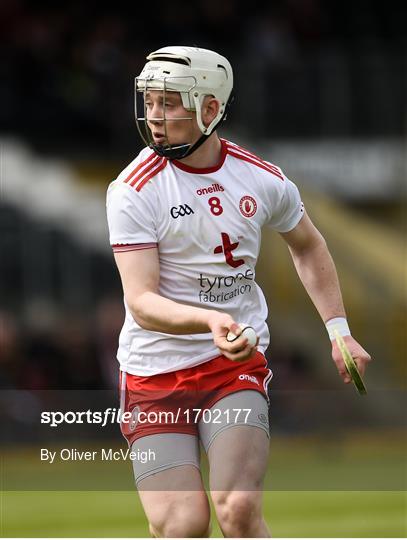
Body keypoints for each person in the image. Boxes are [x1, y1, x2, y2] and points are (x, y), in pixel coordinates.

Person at [106, 46, 371, 538]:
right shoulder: (133, 190)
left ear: (210, 108)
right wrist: (209, 320)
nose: (155, 117)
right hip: (153, 376)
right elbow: (141, 303)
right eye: (150, 101)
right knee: (183, 525)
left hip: (233, 367)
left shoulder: (260, 178)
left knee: (238, 509)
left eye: (170, 102)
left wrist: (339, 330)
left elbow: (309, 246)